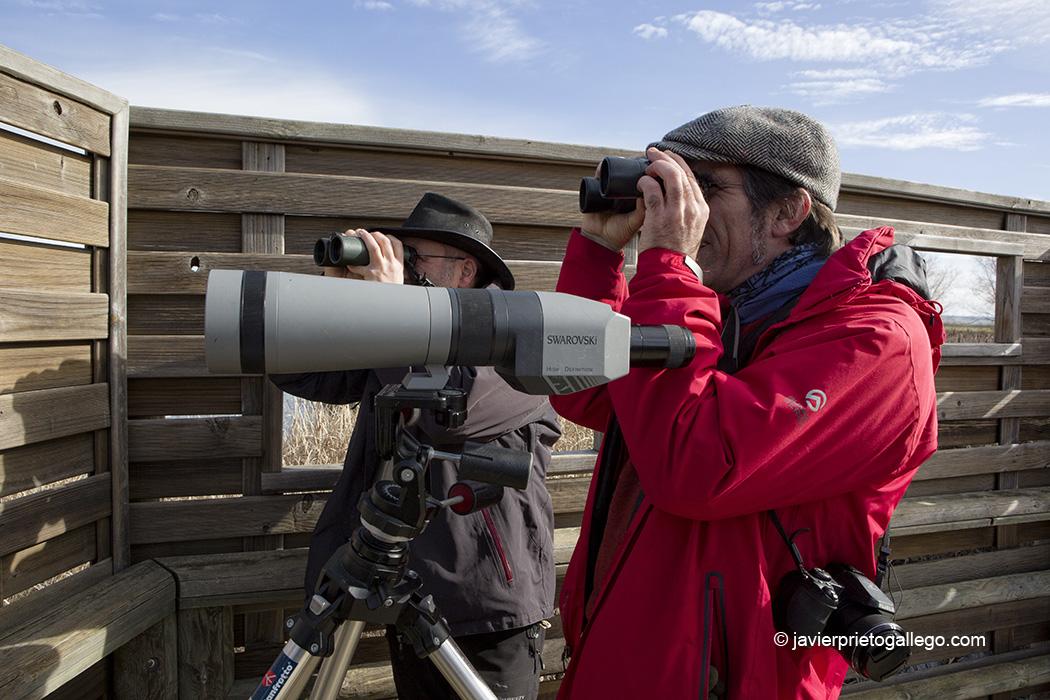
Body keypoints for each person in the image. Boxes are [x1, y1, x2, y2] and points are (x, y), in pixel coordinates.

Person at [550, 106, 944, 699]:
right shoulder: (720, 314)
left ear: (789, 210)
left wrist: (668, 270)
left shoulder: (874, 340)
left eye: (703, 186)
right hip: (625, 650)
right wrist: (599, 255)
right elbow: (583, 395)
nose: (681, 207)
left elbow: (697, 467)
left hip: (735, 677)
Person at [272, 192, 559, 700]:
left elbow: (448, 414)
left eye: (415, 258)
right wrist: (335, 298)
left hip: (487, 605)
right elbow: (296, 370)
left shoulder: (513, 341)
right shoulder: (393, 339)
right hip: (404, 592)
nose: (402, 268)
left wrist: (387, 307)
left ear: (464, 270)